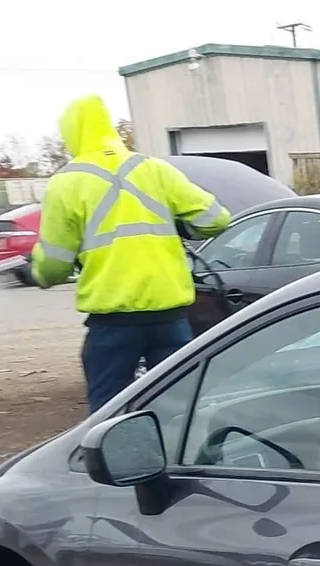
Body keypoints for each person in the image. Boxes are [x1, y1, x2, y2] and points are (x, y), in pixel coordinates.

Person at [31, 96, 231, 410]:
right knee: (179, 406)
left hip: (114, 323)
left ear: (72, 133)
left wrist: (37, 271)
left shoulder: (66, 183)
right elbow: (216, 219)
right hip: (170, 318)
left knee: (109, 411)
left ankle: (118, 444)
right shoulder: (154, 169)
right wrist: (181, 227)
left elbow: (55, 265)